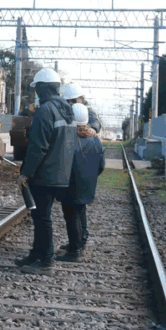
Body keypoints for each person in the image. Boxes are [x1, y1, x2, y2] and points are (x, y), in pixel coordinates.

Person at [16, 67, 78, 271]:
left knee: (42, 218)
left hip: (44, 174)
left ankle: (46, 261)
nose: (37, 93)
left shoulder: (45, 111)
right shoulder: (68, 110)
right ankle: (36, 254)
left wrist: (26, 172)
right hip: (60, 174)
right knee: (41, 216)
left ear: (43, 88)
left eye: (37, 88)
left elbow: (38, 146)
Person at [56, 103, 104, 262]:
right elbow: (101, 165)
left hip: (71, 184)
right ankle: (79, 242)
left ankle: (75, 251)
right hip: (87, 184)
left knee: (71, 216)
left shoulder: (68, 139)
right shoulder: (95, 140)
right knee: (80, 212)